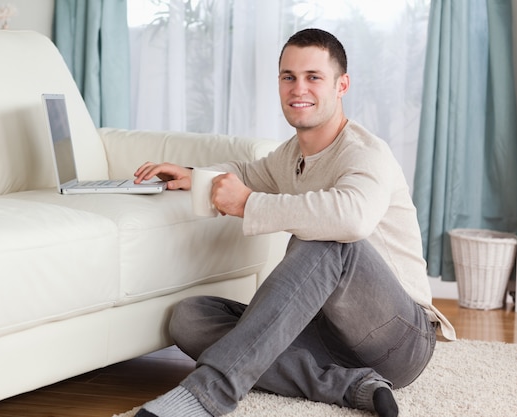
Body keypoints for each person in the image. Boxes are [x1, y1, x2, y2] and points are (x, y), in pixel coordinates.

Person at [131, 28, 455, 417]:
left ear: (341, 85)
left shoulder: (366, 153)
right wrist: (193, 174)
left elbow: (351, 219)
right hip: (325, 334)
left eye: (313, 77)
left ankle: (206, 395)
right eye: (289, 77)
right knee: (190, 319)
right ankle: (349, 385)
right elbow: (247, 172)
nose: (298, 88)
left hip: (399, 338)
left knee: (327, 238)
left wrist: (248, 204)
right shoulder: (290, 156)